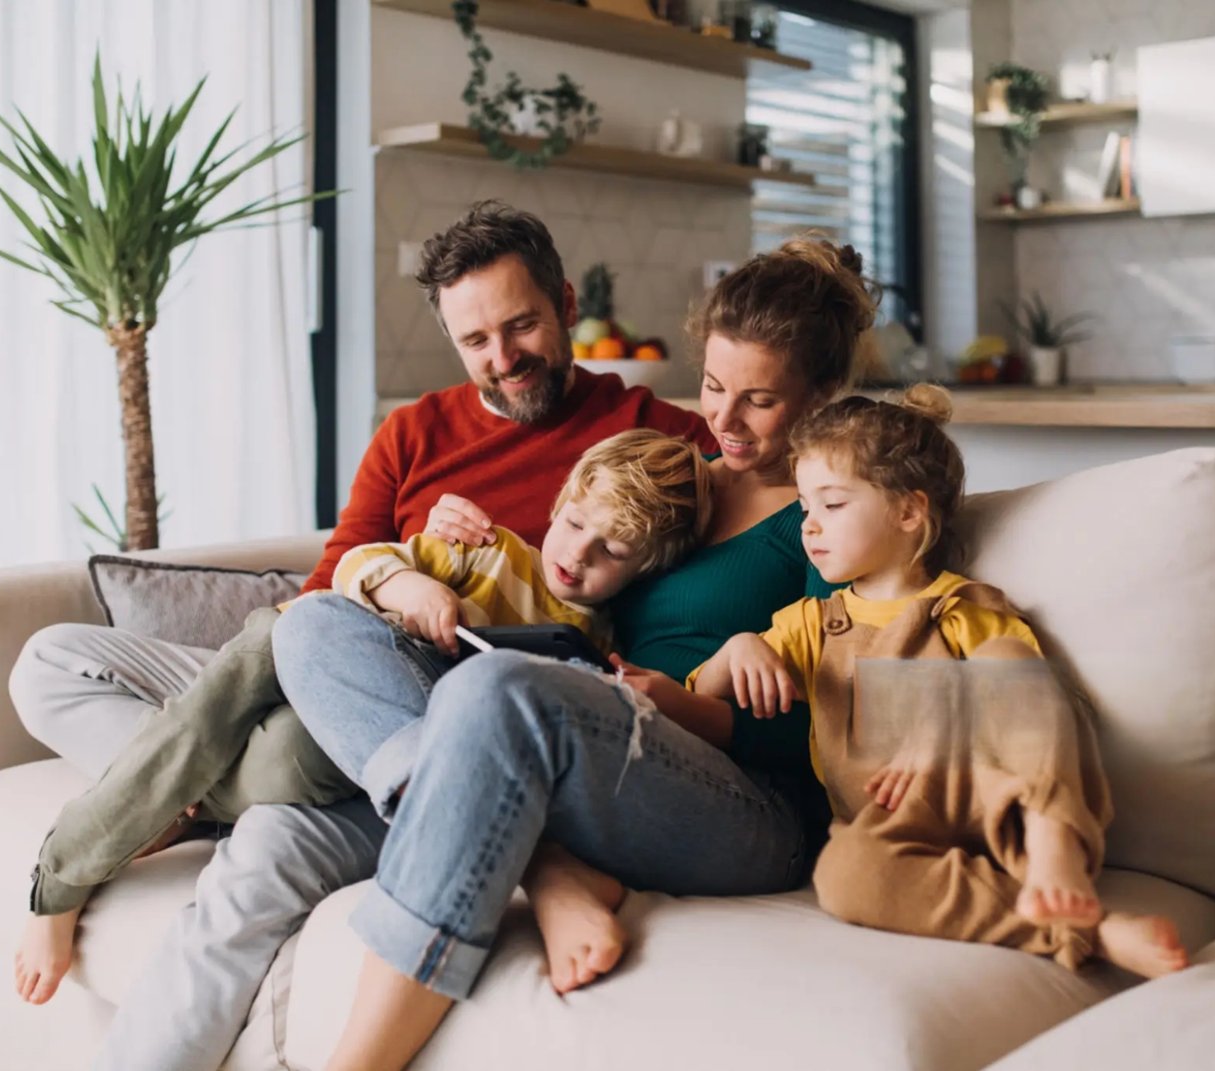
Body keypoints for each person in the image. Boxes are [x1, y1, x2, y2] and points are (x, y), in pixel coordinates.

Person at [6, 200, 714, 1068]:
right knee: (53, 660)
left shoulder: (656, 441)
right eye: (476, 341)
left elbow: (738, 543)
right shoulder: (414, 432)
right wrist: (405, 574)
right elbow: (319, 603)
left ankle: (183, 789)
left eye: (522, 325)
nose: (503, 359)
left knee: (255, 862)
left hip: (455, 738)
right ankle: (189, 786)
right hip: (340, 676)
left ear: (566, 304)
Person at [268, 235, 878, 1071]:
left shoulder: (831, 514)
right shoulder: (678, 477)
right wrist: (454, 559)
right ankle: (549, 866)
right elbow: (574, 583)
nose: (723, 423)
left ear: (821, 394)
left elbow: (845, 736)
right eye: (710, 387)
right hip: (599, 742)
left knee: (496, 690)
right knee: (311, 626)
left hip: (749, 805)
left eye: (759, 402)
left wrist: (690, 702)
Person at [11, 428, 710, 1005]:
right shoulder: (488, 549)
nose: (577, 554)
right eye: (575, 524)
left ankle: (143, 811)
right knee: (52, 660)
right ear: (559, 502)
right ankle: (107, 842)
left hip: (341, 734)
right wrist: (410, 583)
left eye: (611, 551)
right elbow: (358, 564)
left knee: (288, 753)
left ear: (646, 567)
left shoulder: (596, 656)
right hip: (282, 648)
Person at [689, 386, 1190, 979]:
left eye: (833, 505)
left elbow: (1039, 705)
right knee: (842, 876)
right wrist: (738, 647)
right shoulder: (813, 625)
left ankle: (1058, 839)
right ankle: (1088, 930)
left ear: (908, 512)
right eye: (805, 508)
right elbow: (703, 692)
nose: (811, 527)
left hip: (999, 804)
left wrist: (941, 729)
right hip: (894, 828)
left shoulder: (962, 606)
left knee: (1007, 658)